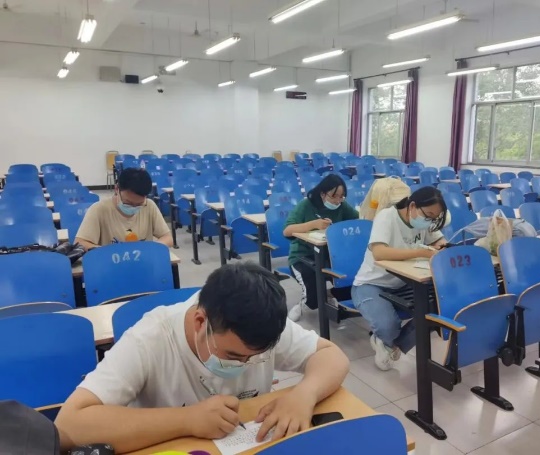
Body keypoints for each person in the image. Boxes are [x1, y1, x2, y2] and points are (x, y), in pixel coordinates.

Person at [55, 263, 349, 454]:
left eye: (257, 358)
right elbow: (69, 425)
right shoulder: (149, 339)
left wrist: (303, 394)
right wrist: (187, 419)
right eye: (233, 355)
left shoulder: (261, 324)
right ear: (200, 322)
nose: (244, 365)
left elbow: (331, 356)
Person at [352, 187, 448, 371]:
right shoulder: (387, 216)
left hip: (404, 283)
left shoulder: (424, 220)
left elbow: (438, 240)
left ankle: (392, 345)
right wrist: (420, 252)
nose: (429, 221)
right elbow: (379, 252)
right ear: (412, 206)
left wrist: (443, 247)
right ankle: (384, 337)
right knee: (388, 326)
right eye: (428, 215)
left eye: (434, 218)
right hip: (371, 284)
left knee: (436, 309)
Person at [283, 174, 359, 321]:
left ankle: (328, 295)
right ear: (323, 194)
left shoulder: (341, 205)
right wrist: (313, 224)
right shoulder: (306, 205)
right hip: (302, 256)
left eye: (342, 196)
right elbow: (287, 231)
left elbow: (357, 219)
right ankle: (303, 304)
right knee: (314, 299)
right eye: (334, 196)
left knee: (353, 282)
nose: (338, 200)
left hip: (329, 255)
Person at [75, 168, 173, 250]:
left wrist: (150, 249)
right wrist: (110, 252)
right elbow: (80, 243)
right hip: (111, 263)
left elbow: (167, 238)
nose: (133, 207)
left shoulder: (149, 206)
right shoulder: (99, 209)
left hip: (142, 262)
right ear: (117, 189)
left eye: (139, 204)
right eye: (128, 203)